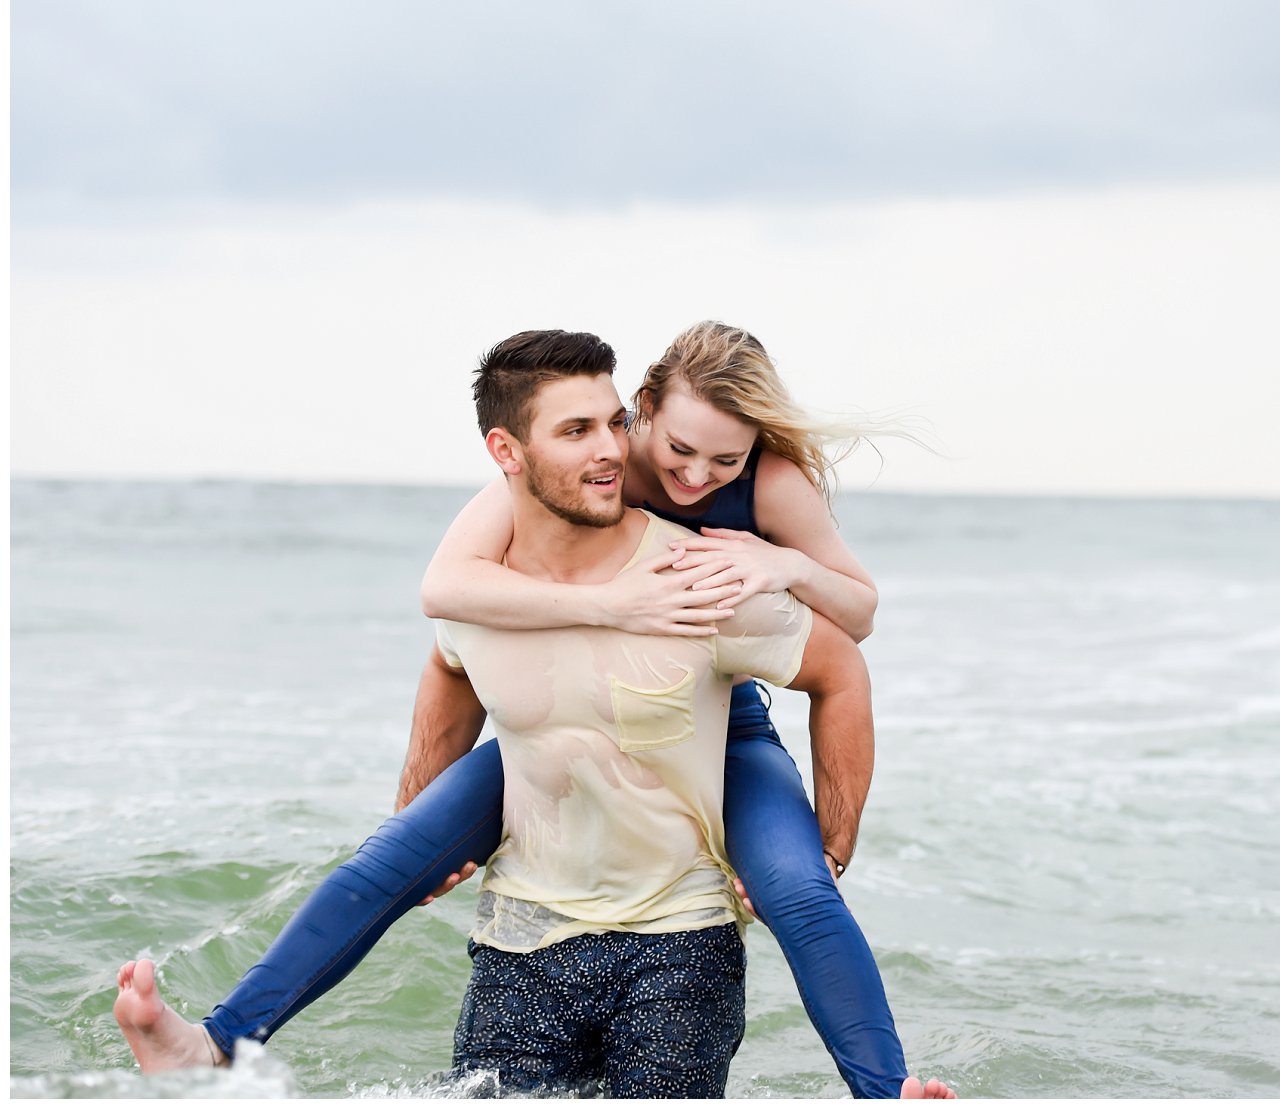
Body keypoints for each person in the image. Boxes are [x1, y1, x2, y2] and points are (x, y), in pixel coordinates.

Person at [112, 324, 953, 1098]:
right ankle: (217, 1041)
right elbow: (447, 613)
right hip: (568, 727)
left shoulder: (759, 500)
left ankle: (886, 1092)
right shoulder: (547, 489)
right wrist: (429, 807)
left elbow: (856, 631)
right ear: (644, 414)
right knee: (386, 859)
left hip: (720, 723)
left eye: (722, 462)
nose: (696, 478)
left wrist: (783, 566)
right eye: (678, 449)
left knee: (801, 893)